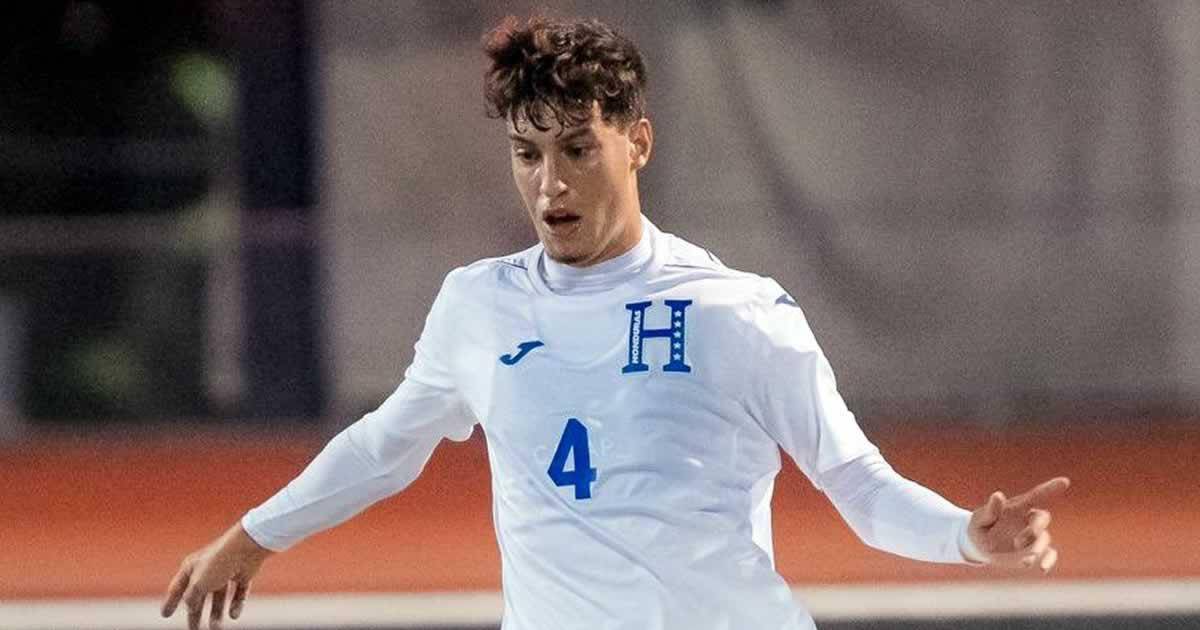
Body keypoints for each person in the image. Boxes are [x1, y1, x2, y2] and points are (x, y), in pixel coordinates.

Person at [161, 15, 1069, 630]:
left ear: (637, 142)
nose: (549, 183)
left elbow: (859, 486)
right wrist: (255, 534)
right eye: (527, 153)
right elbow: (384, 446)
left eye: (577, 149)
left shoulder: (738, 311)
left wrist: (964, 534)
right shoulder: (477, 305)